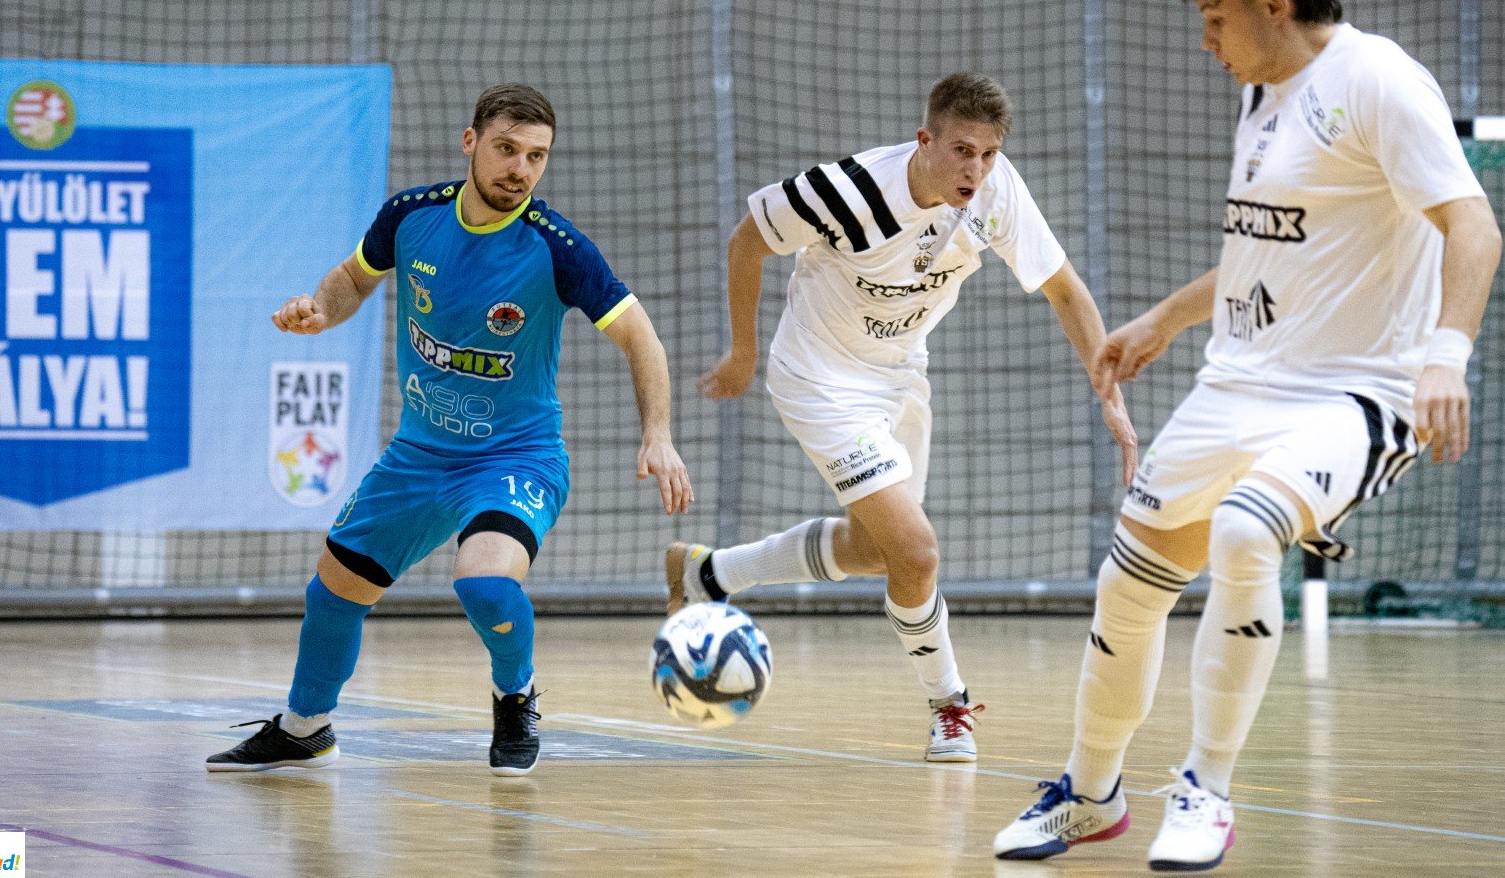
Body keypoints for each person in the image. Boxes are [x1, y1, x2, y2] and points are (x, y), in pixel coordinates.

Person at [994, 0, 1501, 870]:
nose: (1206, 40)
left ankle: (1207, 786)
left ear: (1273, 4)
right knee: (1127, 583)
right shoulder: (1263, 94)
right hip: (1239, 383)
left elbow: (1474, 226)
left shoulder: (1380, 81)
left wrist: (1448, 355)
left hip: (1362, 392)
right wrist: (1166, 318)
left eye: (1215, 17)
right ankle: (1090, 795)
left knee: (1241, 530)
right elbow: (1266, 252)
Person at [207, 83, 693, 777]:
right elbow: (353, 277)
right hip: (419, 455)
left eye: (536, 156)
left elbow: (642, 338)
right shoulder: (412, 216)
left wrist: (659, 434)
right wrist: (320, 308)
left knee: (485, 583)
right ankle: (305, 728)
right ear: (470, 142)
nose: (519, 169)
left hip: (514, 457)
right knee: (333, 593)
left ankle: (514, 695)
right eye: (506, 149)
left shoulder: (556, 247)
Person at [668, 71, 1137, 762]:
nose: (976, 169)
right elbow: (747, 242)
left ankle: (709, 575)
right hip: (820, 377)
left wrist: (1111, 398)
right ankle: (950, 706)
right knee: (917, 551)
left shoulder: (996, 192)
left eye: (989, 154)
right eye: (962, 151)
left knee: (878, 553)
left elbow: (1066, 292)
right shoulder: (848, 190)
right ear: (925, 140)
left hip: (901, 377)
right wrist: (742, 353)